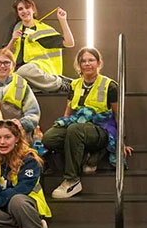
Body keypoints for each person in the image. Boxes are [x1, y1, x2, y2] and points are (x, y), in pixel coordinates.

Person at [43, 48, 125, 199]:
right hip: (78, 126)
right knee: (50, 137)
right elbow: (68, 113)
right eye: (83, 61)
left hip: (101, 129)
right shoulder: (74, 85)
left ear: (99, 63)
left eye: (91, 60)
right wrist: (61, 126)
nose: (87, 64)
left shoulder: (110, 85)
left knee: (74, 130)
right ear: (79, 65)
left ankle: (72, 180)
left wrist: (121, 143)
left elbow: (118, 115)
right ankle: (87, 156)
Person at [7, 0, 75, 93]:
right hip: (18, 72)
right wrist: (13, 40)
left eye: (27, 8)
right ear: (17, 13)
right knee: (15, 80)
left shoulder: (43, 29)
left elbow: (69, 43)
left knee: (23, 71)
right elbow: (3, 54)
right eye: (20, 9)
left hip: (39, 68)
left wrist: (63, 20)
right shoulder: (16, 29)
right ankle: (53, 84)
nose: (24, 11)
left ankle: (62, 83)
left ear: (33, 10)